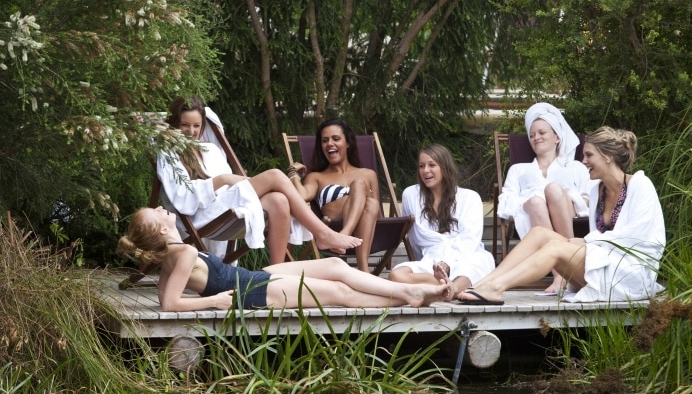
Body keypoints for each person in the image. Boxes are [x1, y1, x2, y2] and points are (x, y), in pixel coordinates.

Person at [458, 126, 665, 305]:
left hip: (630, 273)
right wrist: (587, 243)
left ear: (608, 156)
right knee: (539, 233)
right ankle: (482, 284)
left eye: (589, 155)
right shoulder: (597, 191)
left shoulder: (639, 185)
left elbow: (638, 237)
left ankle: (496, 287)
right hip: (602, 264)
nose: (583, 161)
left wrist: (586, 241)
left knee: (556, 247)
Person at [117, 207, 451, 311]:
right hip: (253, 292)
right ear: (162, 230)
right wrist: (215, 302)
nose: (164, 208)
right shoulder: (184, 252)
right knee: (338, 293)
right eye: (158, 212)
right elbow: (170, 305)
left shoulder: (174, 255)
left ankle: (403, 292)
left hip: (252, 278)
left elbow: (164, 296)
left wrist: (212, 295)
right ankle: (408, 296)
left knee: (335, 266)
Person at [157, 97, 361, 263]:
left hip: (227, 206)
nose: (191, 132)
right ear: (174, 123)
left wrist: (230, 181)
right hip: (203, 215)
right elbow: (182, 198)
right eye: (184, 125)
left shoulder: (209, 149)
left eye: (196, 126)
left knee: (279, 201)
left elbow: (233, 187)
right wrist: (222, 179)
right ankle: (322, 233)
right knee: (274, 175)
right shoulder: (168, 154)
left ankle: (277, 273)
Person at [496, 102, 593, 294]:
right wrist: (535, 200)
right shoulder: (518, 170)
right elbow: (506, 200)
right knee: (536, 201)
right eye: (532, 135)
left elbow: (590, 197)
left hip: (568, 211)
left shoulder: (575, 167)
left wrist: (565, 198)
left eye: (542, 133)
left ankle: (569, 263)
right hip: (533, 214)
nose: (535, 138)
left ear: (557, 137)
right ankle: (561, 276)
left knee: (554, 190)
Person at [388, 144, 495, 300]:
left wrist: (448, 263)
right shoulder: (411, 195)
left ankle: (452, 288)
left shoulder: (470, 197)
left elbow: (470, 241)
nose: (425, 171)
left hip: (466, 255)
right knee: (395, 275)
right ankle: (446, 286)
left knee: (476, 264)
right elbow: (414, 238)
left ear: (445, 168)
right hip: (431, 259)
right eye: (421, 166)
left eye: (432, 165)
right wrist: (435, 265)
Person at [288, 118, 379, 272]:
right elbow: (302, 196)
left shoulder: (368, 174)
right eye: (325, 140)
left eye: (336, 138)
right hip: (333, 227)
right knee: (360, 186)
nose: (330, 143)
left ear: (348, 143)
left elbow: (376, 212)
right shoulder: (316, 177)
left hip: (363, 230)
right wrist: (292, 173)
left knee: (365, 193)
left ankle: (345, 239)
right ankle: (362, 268)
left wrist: (362, 192)